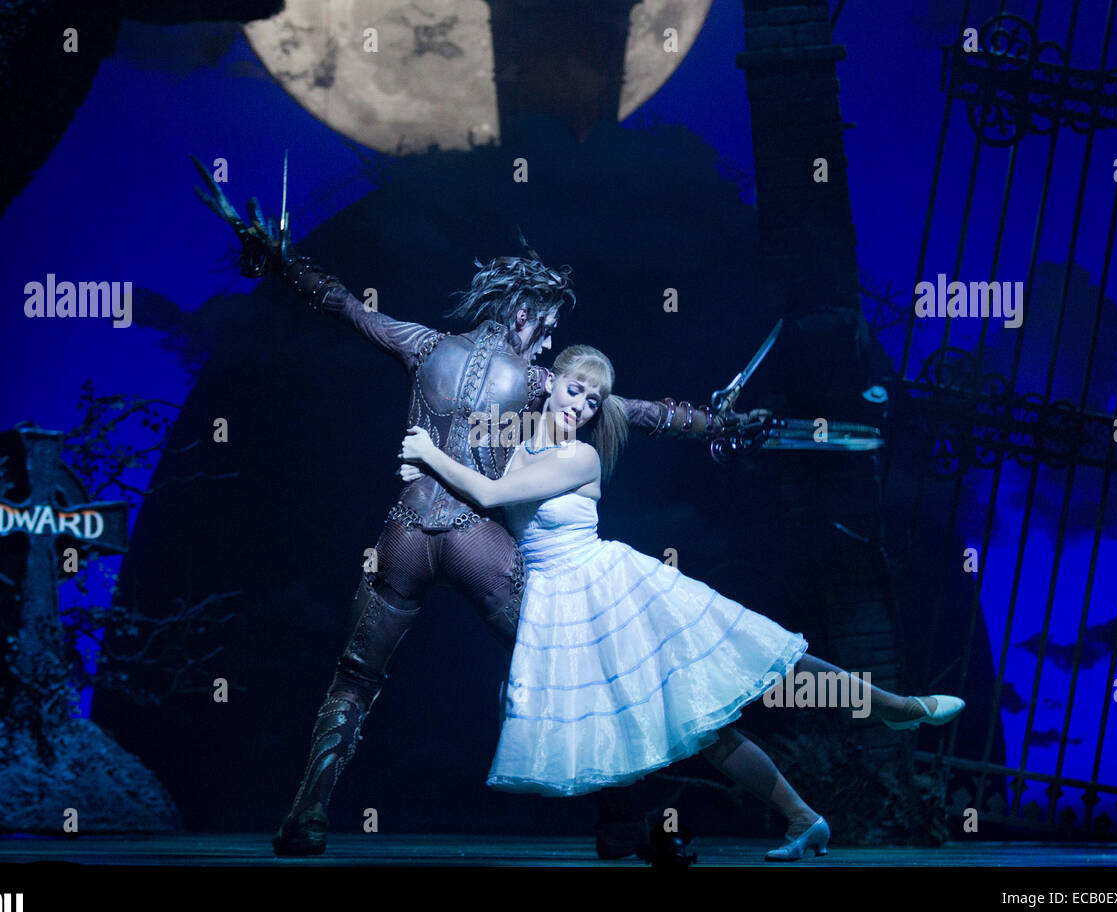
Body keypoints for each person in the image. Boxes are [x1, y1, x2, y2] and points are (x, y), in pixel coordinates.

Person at [191, 157, 770, 857]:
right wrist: (716, 424)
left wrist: (281, 263)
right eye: (549, 325)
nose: (551, 341)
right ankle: (623, 822)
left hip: (404, 531)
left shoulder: (424, 344)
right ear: (523, 313)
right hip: (473, 537)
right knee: (572, 662)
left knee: (355, 675)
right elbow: (634, 411)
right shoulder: (529, 378)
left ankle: (305, 818)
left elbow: (343, 304)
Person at [399, 344, 965, 861]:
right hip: (564, 606)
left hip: (612, 588)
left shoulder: (579, 459)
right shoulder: (521, 447)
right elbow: (476, 479)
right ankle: (804, 819)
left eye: (593, 399)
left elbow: (491, 494)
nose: (582, 405)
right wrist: (423, 465)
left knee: (765, 660)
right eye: (574, 389)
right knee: (704, 728)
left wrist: (428, 452)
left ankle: (898, 707)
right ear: (550, 384)